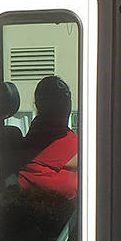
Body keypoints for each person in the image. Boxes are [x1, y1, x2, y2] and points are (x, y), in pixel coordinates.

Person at [17, 75, 78, 207]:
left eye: (67, 97)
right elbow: (91, 160)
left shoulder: (52, 132)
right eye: (59, 99)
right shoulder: (49, 137)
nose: (65, 105)